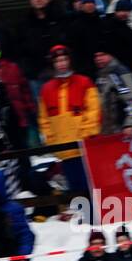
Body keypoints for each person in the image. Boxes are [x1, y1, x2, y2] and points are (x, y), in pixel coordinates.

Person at [38, 45, 101, 191]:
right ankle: (84, 214)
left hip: (84, 148)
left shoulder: (84, 82)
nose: (61, 64)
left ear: (70, 61)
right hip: (64, 151)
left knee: (92, 189)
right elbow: (44, 119)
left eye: (64, 59)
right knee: (76, 191)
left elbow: (94, 112)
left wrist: (86, 135)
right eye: (58, 61)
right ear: (53, 64)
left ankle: (96, 214)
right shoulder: (46, 89)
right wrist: (51, 141)